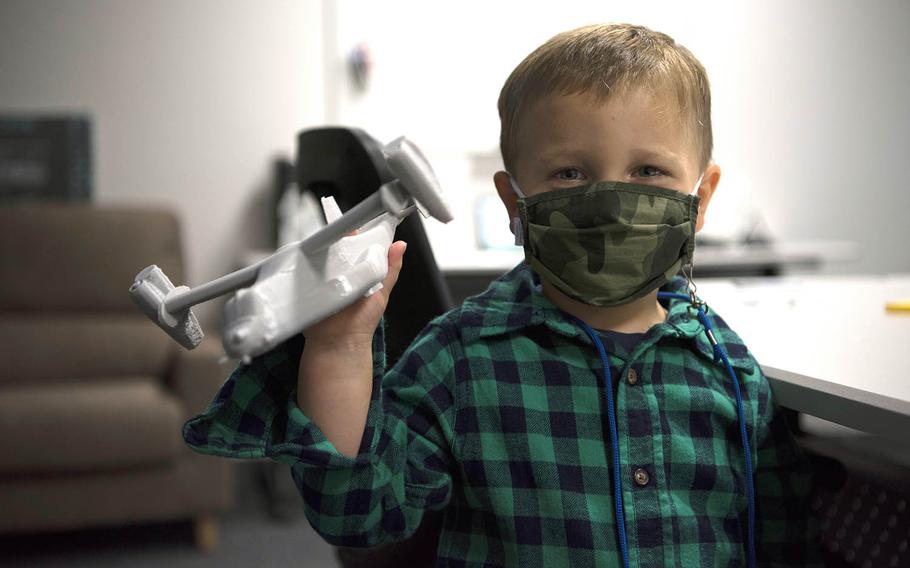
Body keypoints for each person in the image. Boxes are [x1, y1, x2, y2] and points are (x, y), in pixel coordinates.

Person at [183, 23, 821, 566]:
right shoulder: (461, 359)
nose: (608, 199)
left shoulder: (729, 368)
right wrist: (340, 345)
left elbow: (783, 538)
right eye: (570, 172)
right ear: (515, 202)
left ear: (700, 199)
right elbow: (357, 515)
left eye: (648, 171)